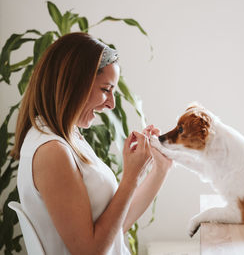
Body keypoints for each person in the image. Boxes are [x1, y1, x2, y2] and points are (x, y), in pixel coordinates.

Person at [11, 32, 172, 255]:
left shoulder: (67, 137)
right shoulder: (52, 151)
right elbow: (90, 251)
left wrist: (159, 168)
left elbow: (116, 227)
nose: (112, 104)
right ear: (73, 83)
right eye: (106, 90)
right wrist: (130, 178)